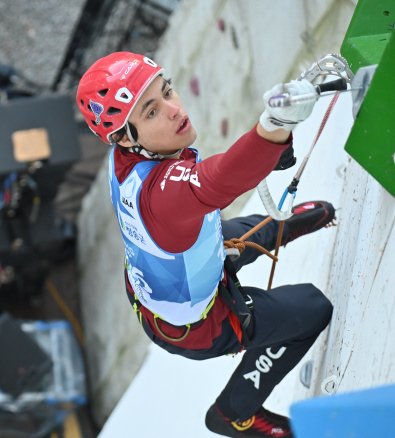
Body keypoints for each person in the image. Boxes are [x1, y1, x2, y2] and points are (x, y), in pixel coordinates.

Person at [76, 52, 335, 438]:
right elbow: (213, 182)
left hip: (168, 279)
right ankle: (233, 412)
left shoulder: (125, 159)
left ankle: (280, 226)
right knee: (312, 308)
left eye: (167, 92)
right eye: (151, 112)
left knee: (230, 230)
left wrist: (266, 151)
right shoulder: (162, 197)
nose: (173, 109)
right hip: (201, 323)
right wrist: (274, 126)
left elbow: (201, 187)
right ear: (125, 138)